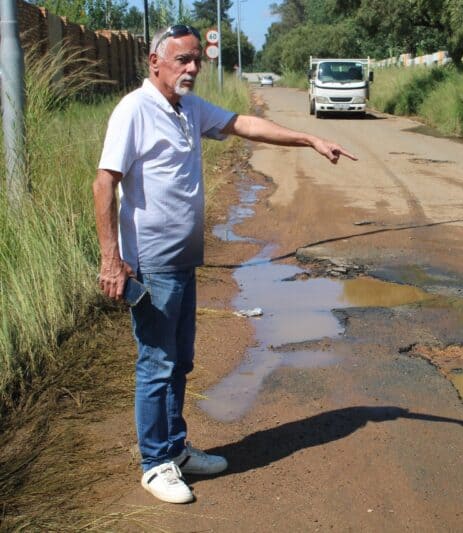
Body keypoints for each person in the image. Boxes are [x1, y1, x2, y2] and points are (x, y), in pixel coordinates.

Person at [93, 25, 357, 504]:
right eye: (181, 59)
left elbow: (243, 124)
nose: (192, 68)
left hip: (184, 260)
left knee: (180, 361)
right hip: (151, 264)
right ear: (155, 62)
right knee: (157, 363)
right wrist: (112, 260)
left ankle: (176, 450)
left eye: (196, 59)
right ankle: (155, 465)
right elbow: (104, 183)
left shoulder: (188, 108)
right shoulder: (134, 110)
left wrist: (308, 139)